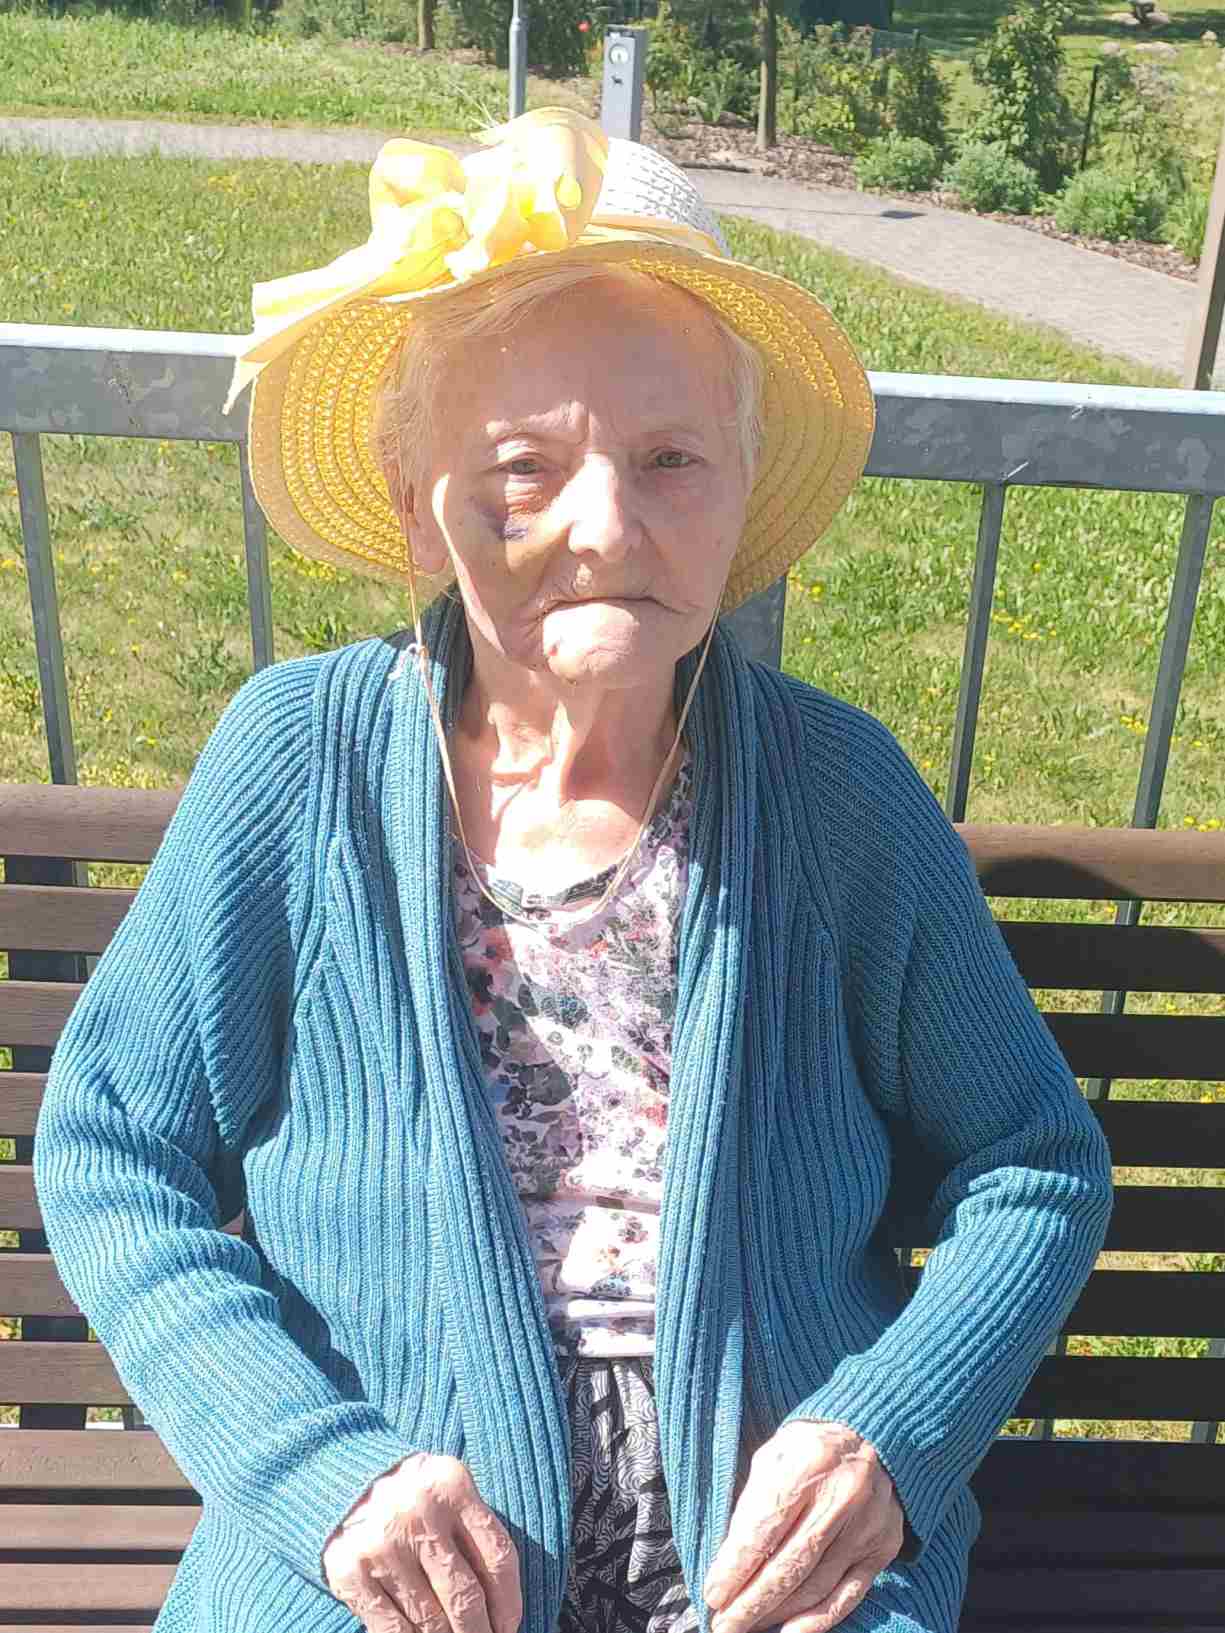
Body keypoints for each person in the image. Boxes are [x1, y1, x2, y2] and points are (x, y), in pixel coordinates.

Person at [33, 108, 1112, 1633]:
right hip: (394, 1553)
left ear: (742, 480)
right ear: (415, 496)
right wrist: (314, 1467)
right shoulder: (300, 763)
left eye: (669, 459)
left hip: (772, 1564)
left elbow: (1035, 1163)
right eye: (523, 467)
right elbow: (110, 1149)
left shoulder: (836, 795)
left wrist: (892, 1435)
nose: (603, 528)